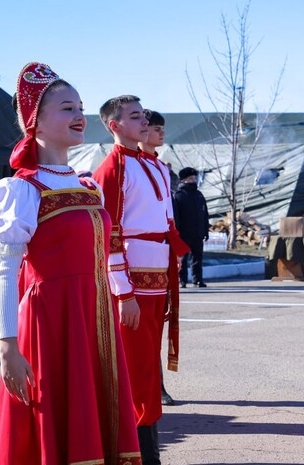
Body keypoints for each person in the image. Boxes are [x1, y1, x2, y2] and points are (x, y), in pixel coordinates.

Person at [0, 62, 141, 464]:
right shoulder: (20, 189)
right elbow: (4, 270)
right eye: (68, 108)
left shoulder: (86, 184)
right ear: (35, 121)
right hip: (49, 321)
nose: (80, 116)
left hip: (94, 316)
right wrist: (7, 347)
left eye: (81, 107)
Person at [93, 95, 189, 465]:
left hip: (156, 277)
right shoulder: (112, 168)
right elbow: (110, 233)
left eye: (143, 114)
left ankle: (147, 449)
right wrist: (123, 293)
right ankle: (137, 452)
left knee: (148, 366)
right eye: (135, 117)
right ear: (114, 125)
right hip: (133, 282)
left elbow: (164, 222)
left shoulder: (153, 165)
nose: (144, 121)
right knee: (135, 368)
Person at [138, 108, 178, 407]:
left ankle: (155, 385)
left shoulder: (161, 167)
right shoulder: (128, 165)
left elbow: (167, 214)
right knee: (142, 330)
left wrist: (173, 250)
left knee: (156, 324)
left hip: (160, 254)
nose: (161, 133)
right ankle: (147, 388)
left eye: (162, 128)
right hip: (136, 256)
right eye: (155, 127)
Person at [173, 166, 210, 288]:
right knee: (183, 258)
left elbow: (204, 214)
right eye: (190, 178)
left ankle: (198, 279)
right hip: (184, 233)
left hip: (198, 232)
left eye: (194, 178)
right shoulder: (178, 196)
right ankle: (182, 280)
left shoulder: (199, 195)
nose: (193, 180)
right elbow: (176, 215)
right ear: (183, 180)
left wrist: (205, 230)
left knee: (197, 258)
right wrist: (177, 231)